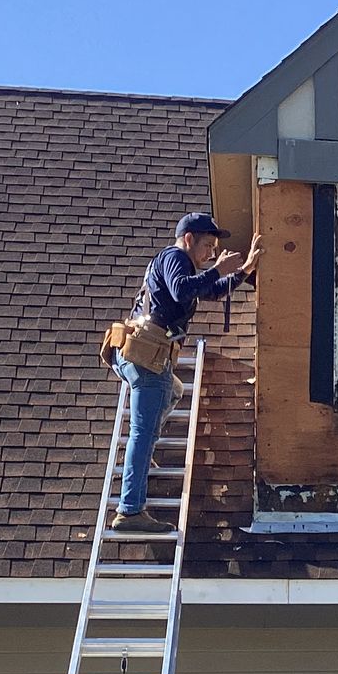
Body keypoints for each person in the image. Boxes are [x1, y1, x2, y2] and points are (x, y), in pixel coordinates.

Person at [110, 212, 261, 533]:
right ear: (189, 238)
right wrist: (218, 269)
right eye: (207, 245)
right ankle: (130, 510)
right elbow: (181, 290)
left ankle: (142, 458)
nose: (210, 253)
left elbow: (208, 291)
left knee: (174, 392)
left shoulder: (182, 265)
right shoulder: (175, 256)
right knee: (141, 431)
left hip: (145, 354)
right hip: (148, 356)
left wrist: (243, 271)